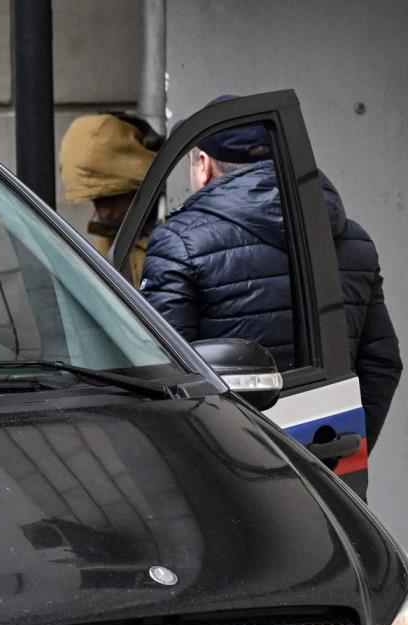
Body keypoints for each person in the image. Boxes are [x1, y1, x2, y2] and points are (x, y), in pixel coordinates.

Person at [142, 97, 402, 448]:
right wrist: (342, 448)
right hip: (328, 458)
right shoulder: (353, 240)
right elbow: (381, 363)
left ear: (203, 165)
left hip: (231, 469)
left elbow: (165, 375)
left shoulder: (179, 243)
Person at [58, 112, 163, 286]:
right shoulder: (109, 234)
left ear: (135, 182)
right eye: (96, 201)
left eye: (109, 198)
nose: (103, 212)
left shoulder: (178, 217)